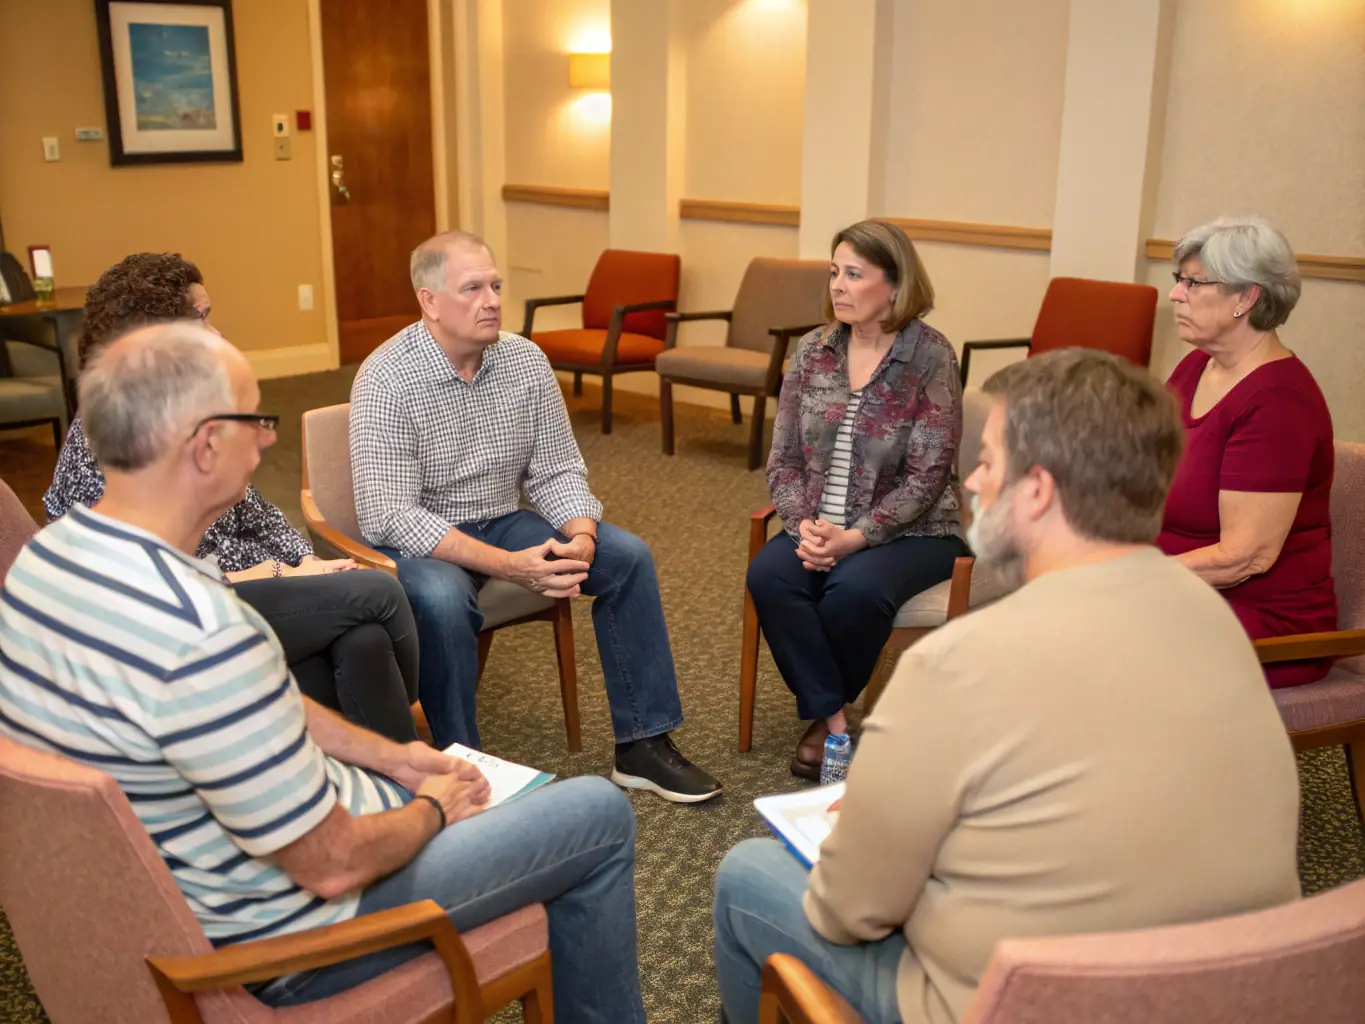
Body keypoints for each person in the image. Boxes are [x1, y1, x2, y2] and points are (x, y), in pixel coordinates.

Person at [0, 323, 646, 1021]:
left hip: (200, 881)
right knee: (597, 813)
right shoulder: (205, 633)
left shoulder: (49, 558)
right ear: (205, 445)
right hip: (298, 939)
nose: (269, 440)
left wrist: (394, 756)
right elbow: (334, 863)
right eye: (256, 419)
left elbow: (249, 704)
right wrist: (433, 809)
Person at [713, 349, 1301, 1024]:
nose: (970, 480)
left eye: (988, 460)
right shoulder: (1212, 618)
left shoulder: (954, 663)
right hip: (1224, 992)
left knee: (746, 874)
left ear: (1038, 490)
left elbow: (850, 911)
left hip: (1019, 1004)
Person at [349, 230, 721, 804]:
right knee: (445, 600)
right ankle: (463, 769)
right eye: (471, 288)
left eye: (495, 285)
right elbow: (389, 513)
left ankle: (643, 745)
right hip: (420, 537)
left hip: (501, 516)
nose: (491, 300)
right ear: (428, 301)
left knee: (627, 558)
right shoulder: (386, 377)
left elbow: (556, 469)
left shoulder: (524, 360)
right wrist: (509, 565)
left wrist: (582, 533)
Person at [43, 253, 422, 743]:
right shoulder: (112, 439)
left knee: (363, 640)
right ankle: (409, 773)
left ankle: (401, 783)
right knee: (378, 594)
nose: (217, 333)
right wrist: (279, 574)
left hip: (258, 588)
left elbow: (260, 513)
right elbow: (155, 579)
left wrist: (305, 562)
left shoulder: (187, 413)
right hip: (193, 612)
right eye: (201, 318)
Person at [747, 220, 965, 779]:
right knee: (770, 576)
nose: (837, 287)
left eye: (853, 274)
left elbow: (929, 476)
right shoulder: (812, 351)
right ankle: (836, 722)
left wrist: (856, 538)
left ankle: (822, 721)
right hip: (820, 523)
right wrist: (806, 528)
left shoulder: (931, 357)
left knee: (855, 591)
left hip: (915, 531)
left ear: (894, 286)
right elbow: (785, 460)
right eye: (833, 273)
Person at [1158, 215, 1336, 687]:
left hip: (1265, 621)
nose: (1176, 294)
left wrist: (1132, 578)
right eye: (1179, 280)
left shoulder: (1279, 401)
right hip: (1185, 594)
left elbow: (1245, 556)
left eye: (1194, 283)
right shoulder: (1195, 367)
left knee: (1093, 643)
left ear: (1246, 297)